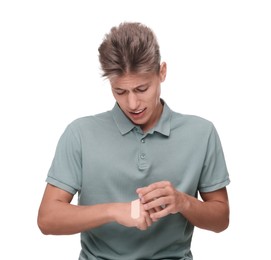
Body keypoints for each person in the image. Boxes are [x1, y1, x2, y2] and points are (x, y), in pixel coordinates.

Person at [37, 22, 230, 260]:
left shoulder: (202, 133)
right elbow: (47, 219)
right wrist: (113, 211)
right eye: (120, 92)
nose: (132, 104)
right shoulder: (79, 133)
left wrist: (183, 202)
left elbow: (221, 219)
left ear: (162, 72)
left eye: (141, 89)